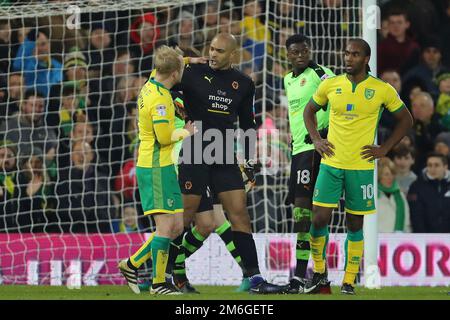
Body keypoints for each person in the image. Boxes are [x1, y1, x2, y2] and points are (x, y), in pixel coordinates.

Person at [175, 33, 285, 294]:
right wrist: (188, 60)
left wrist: (249, 160)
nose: (213, 54)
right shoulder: (191, 71)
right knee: (187, 219)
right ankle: (167, 272)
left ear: (233, 55)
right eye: (211, 49)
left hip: (224, 155)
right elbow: (158, 75)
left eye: (220, 51)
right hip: (194, 152)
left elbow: (248, 124)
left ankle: (255, 279)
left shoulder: (244, 83)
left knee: (240, 216)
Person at [303, 38, 413, 295]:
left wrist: (385, 149)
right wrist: (317, 140)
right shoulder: (331, 84)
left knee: (354, 223)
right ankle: (319, 273)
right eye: (346, 53)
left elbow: (406, 119)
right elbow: (309, 111)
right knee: (318, 218)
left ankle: (349, 280)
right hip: (331, 163)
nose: (348, 58)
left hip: (361, 167)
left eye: (354, 54)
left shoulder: (381, 89)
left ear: (366, 59)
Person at [117, 45, 196, 295]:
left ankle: (131, 264)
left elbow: (170, 63)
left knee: (175, 227)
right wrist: (187, 131)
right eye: (180, 68)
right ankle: (158, 283)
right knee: (165, 229)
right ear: (174, 73)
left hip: (161, 167)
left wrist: (186, 57)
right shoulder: (160, 99)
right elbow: (163, 137)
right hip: (154, 167)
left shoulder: (153, 80)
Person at [283, 34, 335, 294]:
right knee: (304, 213)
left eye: (304, 51)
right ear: (288, 55)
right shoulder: (287, 79)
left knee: (305, 212)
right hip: (298, 151)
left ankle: (301, 276)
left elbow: (336, 100)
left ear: (310, 51)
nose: (300, 55)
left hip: (314, 149)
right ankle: (319, 276)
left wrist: (322, 133)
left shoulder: (321, 73)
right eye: (295, 52)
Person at [407, 153, 450, 233]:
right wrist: (423, 236)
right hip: (424, 237)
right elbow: (415, 215)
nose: (432, 169)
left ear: (445, 167)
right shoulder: (416, 186)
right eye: (429, 165)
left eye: (436, 165)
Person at [377, 10, 420, 75]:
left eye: (399, 22)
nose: (396, 26)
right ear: (388, 25)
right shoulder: (381, 47)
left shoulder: (414, 47)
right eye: (392, 23)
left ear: (407, 24)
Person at [377, 157, 411, 233]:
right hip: (378, 240)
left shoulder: (400, 194)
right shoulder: (374, 195)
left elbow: (407, 221)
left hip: (398, 240)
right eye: (386, 174)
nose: (390, 177)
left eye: (392, 173)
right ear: (379, 176)